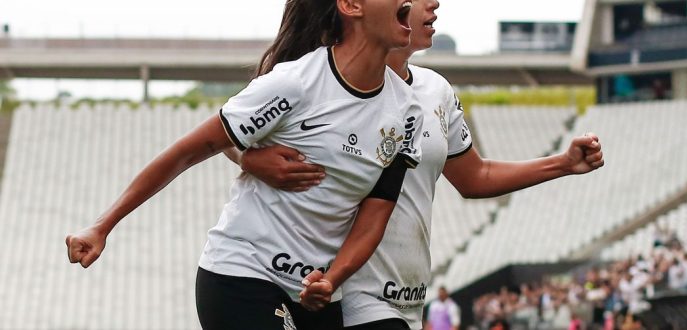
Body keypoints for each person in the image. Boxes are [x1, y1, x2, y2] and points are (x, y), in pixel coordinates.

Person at [227, 0, 605, 328]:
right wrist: (251, 158)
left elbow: (475, 177)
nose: (433, 5)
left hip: (408, 299)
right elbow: (224, 132)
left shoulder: (435, 90)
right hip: (354, 295)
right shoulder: (324, 82)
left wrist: (562, 163)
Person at [65, 0, 424, 329]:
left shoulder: (407, 109)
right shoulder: (295, 83)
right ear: (351, 5)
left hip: (316, 293)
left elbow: (375, 215)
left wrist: (332, 279)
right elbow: (190, 150)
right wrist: (101, 226)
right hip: (242, 274)